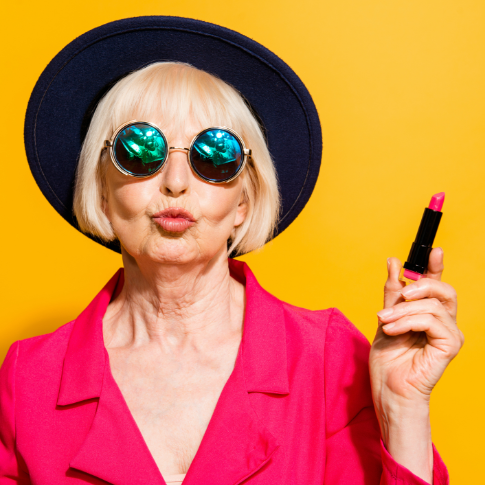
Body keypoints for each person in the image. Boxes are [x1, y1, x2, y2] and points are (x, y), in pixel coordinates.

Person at [0, 17, 462, 485]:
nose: (176, 184)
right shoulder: (27, 380)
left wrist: (404, 411)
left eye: (214, 155)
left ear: (244, 199)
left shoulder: (328, 359)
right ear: (101, 190)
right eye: (140, 151)